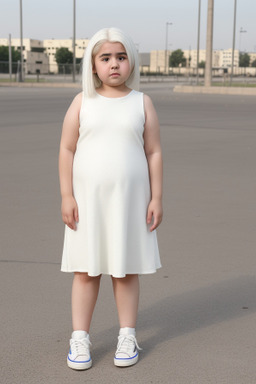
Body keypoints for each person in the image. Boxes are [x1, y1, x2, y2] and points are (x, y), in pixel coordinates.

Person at [59, 27, 163, 370]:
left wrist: (156, 197)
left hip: (130, 202)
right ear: (93, 65)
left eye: (121, 57)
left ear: (131, 60)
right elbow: (67, 148)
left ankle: (127, 335)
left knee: (125, 269)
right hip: (87, 203)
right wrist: (66, 195)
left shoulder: (141, 103)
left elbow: (153, 152)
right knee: (86, 270)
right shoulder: (82, 102)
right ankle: (79, 339)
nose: (114, 64)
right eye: (106, 58)